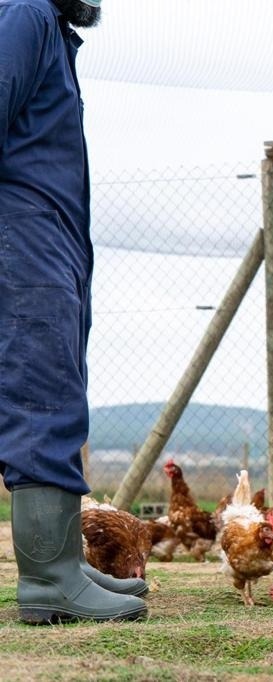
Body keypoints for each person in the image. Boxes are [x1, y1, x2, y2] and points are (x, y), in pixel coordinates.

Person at [0, 0, 147, 623]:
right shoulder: (25, 14)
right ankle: (47, 579)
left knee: (56, 390)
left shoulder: (49, 31)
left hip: (48, 238)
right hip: (23, 235)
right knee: (41, 396)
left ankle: (58, 559)